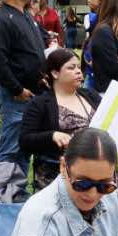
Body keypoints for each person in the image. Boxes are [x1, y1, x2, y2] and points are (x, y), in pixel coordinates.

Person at [0, 0, 46, 168]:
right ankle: (1, 186)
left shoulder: (26, 16)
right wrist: (17, 89)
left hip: (35, 92)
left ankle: (18, 186)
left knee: (25, 149)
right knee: (11, 151)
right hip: (17, 98)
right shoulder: (3, 20)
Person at [19, 48, 102, 190]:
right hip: (60, 172)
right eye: (71, 68)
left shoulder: (90, 96)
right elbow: (25, 140)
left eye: (78, 67)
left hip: (98, 164)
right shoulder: (40, 104)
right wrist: (52, 135)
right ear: (55, 73)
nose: (78, 71)